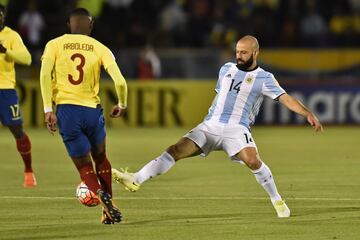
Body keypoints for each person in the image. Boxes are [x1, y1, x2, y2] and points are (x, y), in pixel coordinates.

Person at [112, 35, 324, 218]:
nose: (239, 55)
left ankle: (277, 200)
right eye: (237, 51)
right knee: (175, 150)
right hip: (210, 125)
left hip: (237, 129)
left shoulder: (264, 78)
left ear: (255, 53)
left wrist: (307, 113)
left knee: (253, 161)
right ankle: (135, 178)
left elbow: (285, 98)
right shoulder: (226, 69)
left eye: (244, 52)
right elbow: (220, 96)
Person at [39, 8, 127, 224]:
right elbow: (120, 82)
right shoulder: (100, 48)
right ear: (91, 25)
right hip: (92, 111)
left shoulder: (54, 44)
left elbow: (43, 74)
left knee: (84, 166)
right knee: (101, 158)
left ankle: (99, 193)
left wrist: (47, 109)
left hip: (67, 111)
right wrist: (122, 103)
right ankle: (108, 208)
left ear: (69, 25)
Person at [0, 4, 36, 187]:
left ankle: (28, 171)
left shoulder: (11, 36)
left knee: (17, 130)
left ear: (3, 16)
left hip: (5, 89)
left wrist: (6, 51)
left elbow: (27, 59)